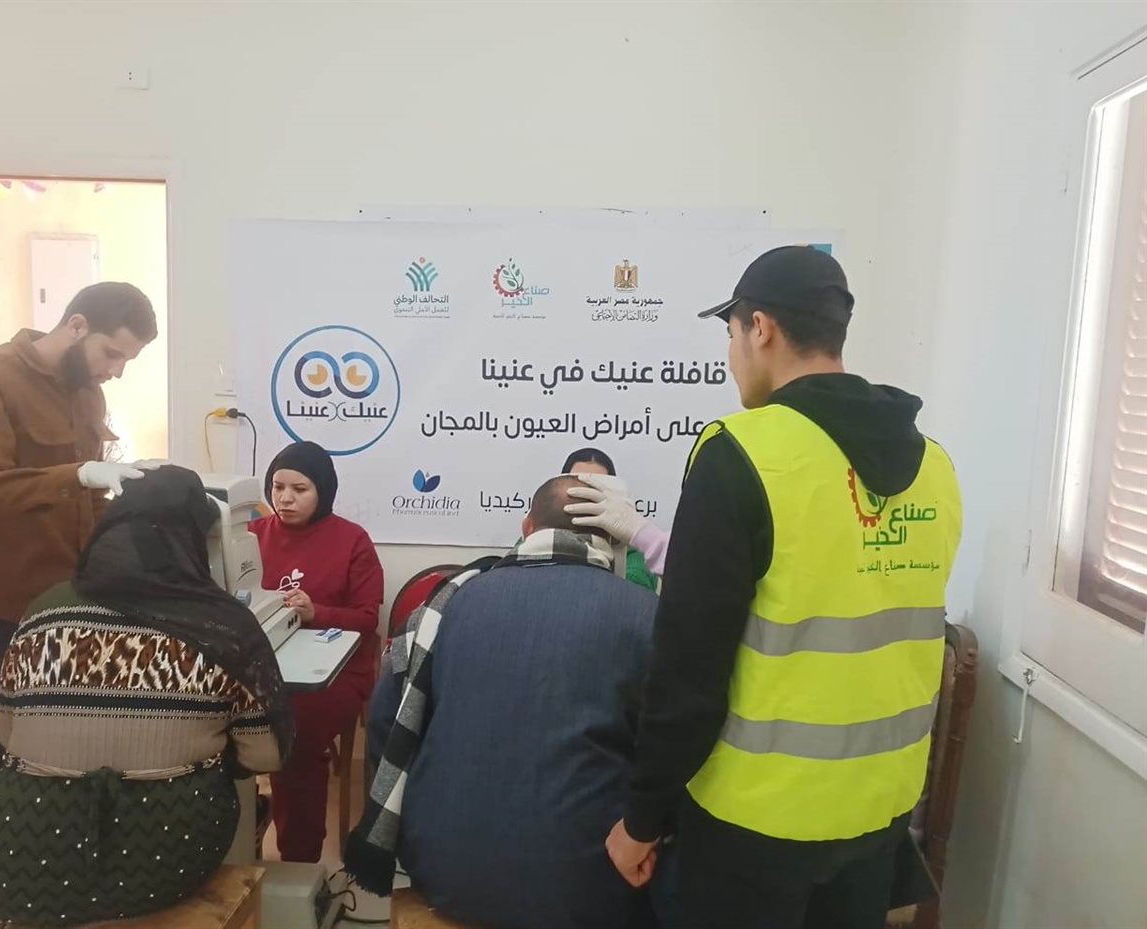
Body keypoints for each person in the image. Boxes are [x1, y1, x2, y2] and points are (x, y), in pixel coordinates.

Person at [604, 246, 963, 929]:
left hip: (754, 828)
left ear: (760, 328)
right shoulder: (936, 467)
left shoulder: (740, 455)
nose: (731, 355)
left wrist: (642, 818)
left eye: (731, 333)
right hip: (876, 814)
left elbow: (688, 670)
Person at [0, 466, 292, 926]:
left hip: (16, 867)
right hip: (163, 861)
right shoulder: (222, 627)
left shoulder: (43, 610)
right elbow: (266, 754)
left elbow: (6, 730)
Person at [348, 476, 660, 929]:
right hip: (589, 883)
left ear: (527, 527)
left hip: (442, 867)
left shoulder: (443, 606)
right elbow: (667, 753)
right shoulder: (647, 616)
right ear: (614, 542)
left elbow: (386, 724)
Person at [0, 283, 159, 929]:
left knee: (66, 759)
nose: (116, 371)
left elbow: (86, 498)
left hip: (73, 605)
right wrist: (75, 476)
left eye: (127, 361)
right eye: (112, 354)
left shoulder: (87, 391)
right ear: (76, 325)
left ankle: (46, 902)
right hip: (2, 607)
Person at [250, 441, 384, 862]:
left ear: (323, 491)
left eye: (299, 489)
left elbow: (366, 618)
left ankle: (299, 859)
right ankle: (239, 832)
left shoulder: (352, 540)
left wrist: (316, 612)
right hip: (263, 662)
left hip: (335, 671)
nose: (285, 499)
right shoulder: (250, 537)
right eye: (278, 487)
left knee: (294, 733)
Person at [560, 448, 657, 591]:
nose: (586, 495)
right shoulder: (540, 538)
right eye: (578, 486)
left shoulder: (634, 560)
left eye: (596, 487)